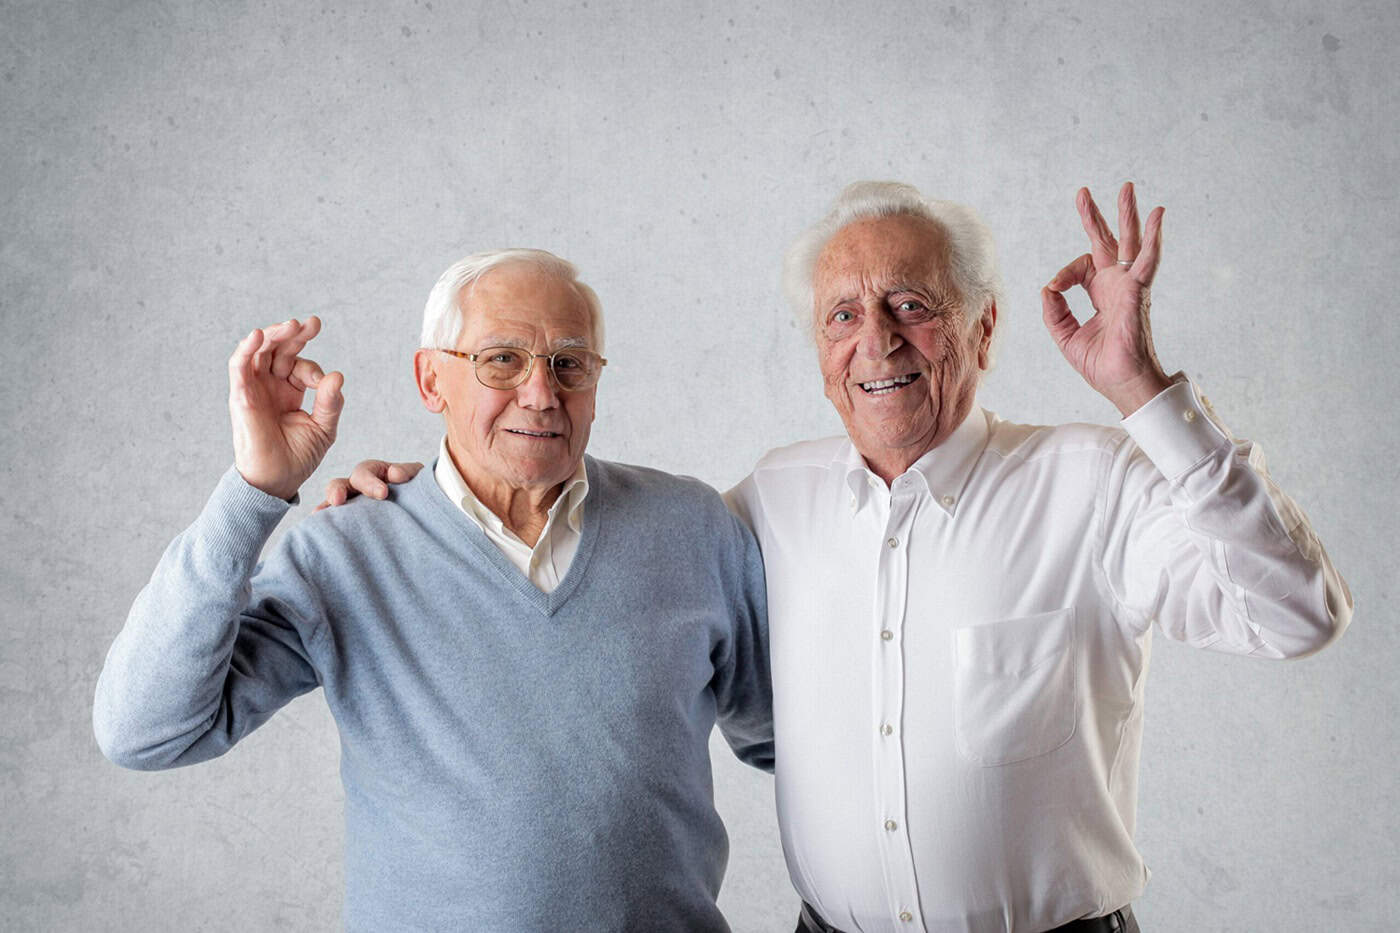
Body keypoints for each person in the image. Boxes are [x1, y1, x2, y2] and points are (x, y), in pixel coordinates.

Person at [331, 182, 1352, 932]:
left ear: (981, 326)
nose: (877, 340)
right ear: (819, 350)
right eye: (842, 315)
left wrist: (1144, 394)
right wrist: (439, 497)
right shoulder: (767, 502)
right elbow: (598, 561)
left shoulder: (1094, 481)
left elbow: (1295, 615)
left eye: (910, 303)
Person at [92, 249, 773, 932]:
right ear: (430, 380)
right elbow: (145, 730)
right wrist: (253, 492)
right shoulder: (347, 550)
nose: (541, 393)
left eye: (570, 363)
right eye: (501, 359)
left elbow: (797, 741)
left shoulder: (693, 527)